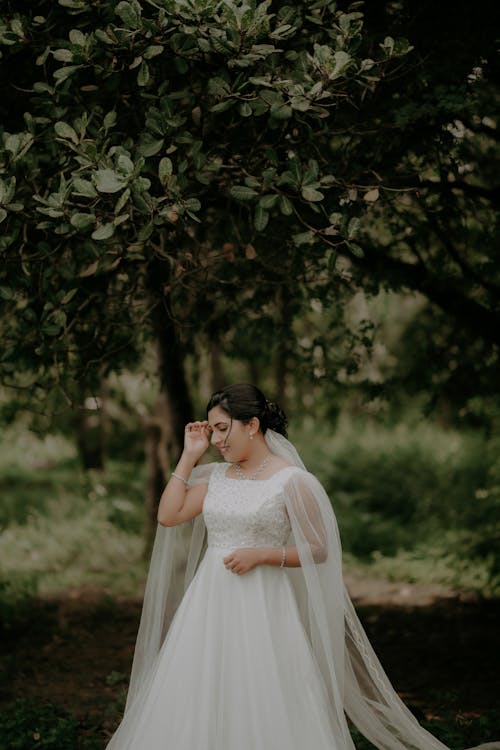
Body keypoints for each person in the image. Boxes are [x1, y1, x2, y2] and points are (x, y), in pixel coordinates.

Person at [106, 384, 498, 750]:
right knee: (201, 684)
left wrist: (263, 555)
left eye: (223, 429)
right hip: (209, 603)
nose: (217, 440)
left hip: (263, 602)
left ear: (253, 425)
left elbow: (318, 548)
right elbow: (168, 515)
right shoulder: (218, 477)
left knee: (264, 687)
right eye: (213, 431)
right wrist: (190, 456)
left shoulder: (293, 481)